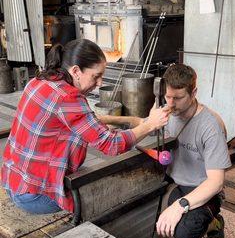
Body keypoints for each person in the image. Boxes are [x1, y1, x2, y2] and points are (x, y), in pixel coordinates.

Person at [1, 39, 170, 215]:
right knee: (110, 193)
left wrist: (134, 121)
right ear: (76, 71)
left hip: (14, 181)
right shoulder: (68, 97)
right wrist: (151, 125)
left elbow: (87, 120)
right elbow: (111, 145)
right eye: (96, 76)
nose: (99, 83)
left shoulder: (41, 80)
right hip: (35, 196)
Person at [156, 63, 232, 238]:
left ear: (193, 92)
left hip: (201, 188)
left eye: (178, 98)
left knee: (184, 232)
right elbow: (145, 125)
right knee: (144, 213)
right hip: (173, 181)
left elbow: (216, 182)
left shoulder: (210, 126)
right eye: (168, 96)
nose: (171, 103)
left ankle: (215, 225)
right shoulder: (166, 111)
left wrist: (179, 206)